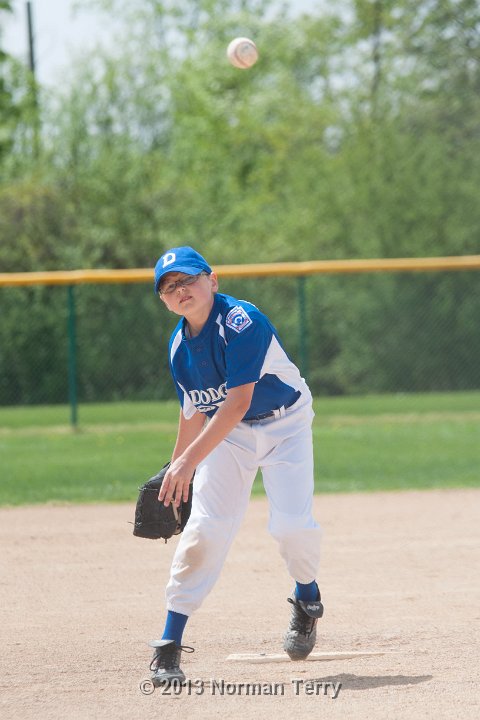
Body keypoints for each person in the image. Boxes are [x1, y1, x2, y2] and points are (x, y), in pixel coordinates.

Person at [148, 246, 323, 686]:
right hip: (230, 435)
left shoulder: (241, 321)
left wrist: (188, 463)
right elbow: (194, 410)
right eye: (169, 287)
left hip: (285, 424)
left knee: (291, 528)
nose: (180, 289)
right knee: (204, 531)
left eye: (187, 279)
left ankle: (307, 598)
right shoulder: (178, 347)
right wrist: (175, 470)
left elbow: (237, 402)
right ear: (164, 301)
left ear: (212, 280)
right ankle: (169, 645)